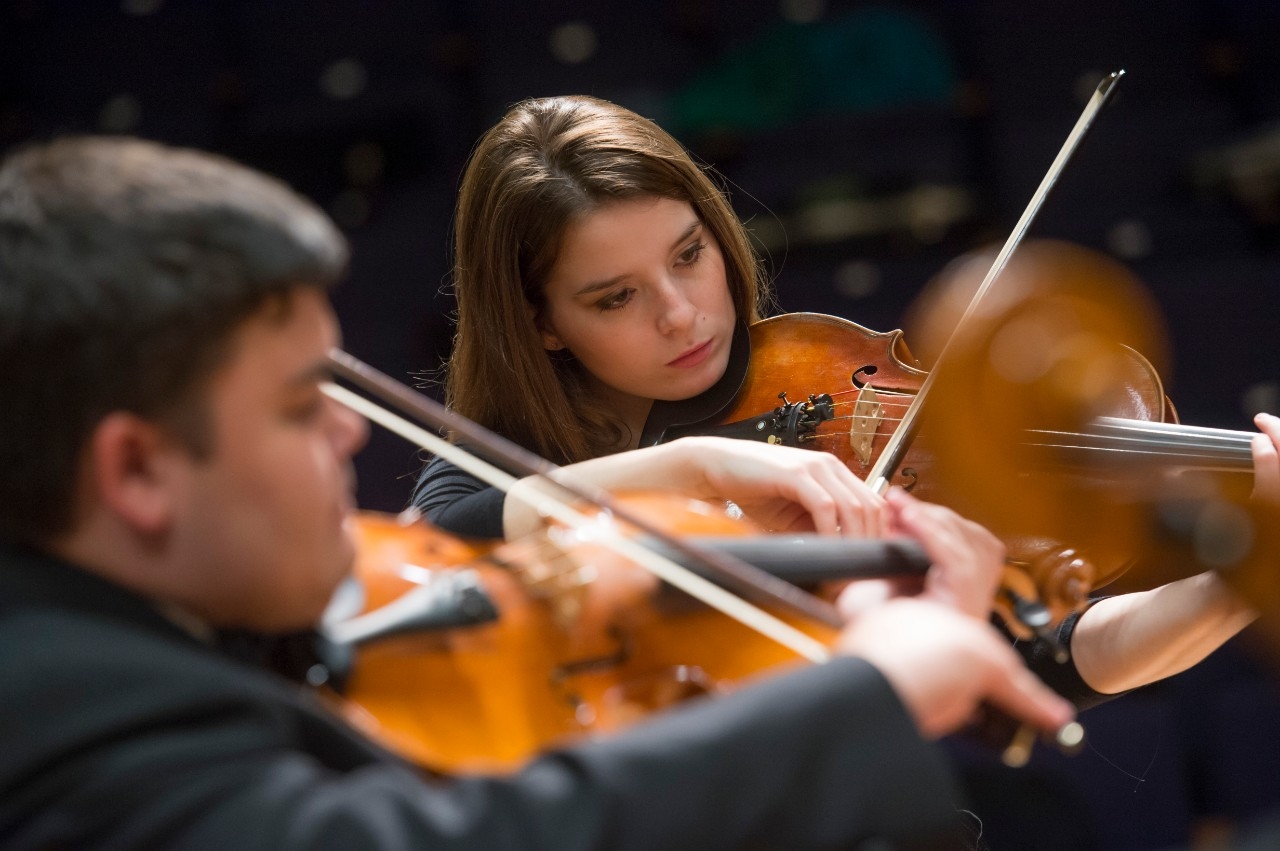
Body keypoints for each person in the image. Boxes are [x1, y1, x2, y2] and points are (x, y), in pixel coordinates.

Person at [0, 135, 1077, 850]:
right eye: (297, 405)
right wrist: (863, 690)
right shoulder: (54, 707)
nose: (344, 429)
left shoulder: (156, 635)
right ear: (135, 470)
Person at [413, 94, 1266, 704]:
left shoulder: (812, 378)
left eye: (688, 254)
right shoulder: (491, 467)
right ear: (542, 322)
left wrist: (1244, 576)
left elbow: (1058, 657)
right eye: (615, 297)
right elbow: (447, 539)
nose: (681, 314)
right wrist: (697, 463)